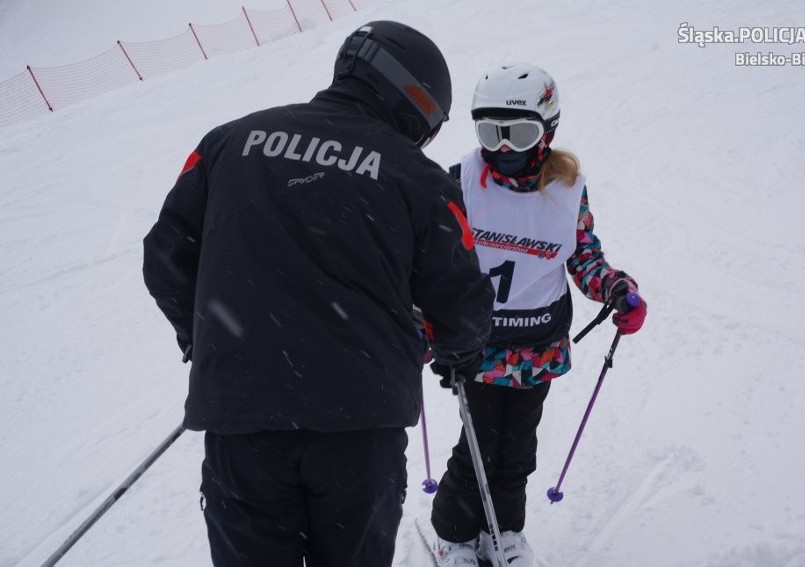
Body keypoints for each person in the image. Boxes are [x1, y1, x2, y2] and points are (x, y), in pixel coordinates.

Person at [142, 21, 494, 567]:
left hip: (244, 424)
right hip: (359, 429)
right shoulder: (417, 176)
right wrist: (455, 355)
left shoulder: (228, 142)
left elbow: (166, 256)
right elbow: (463, 302)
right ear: (414, 100)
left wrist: (210, 337)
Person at [427, 63, 648, 566]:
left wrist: (615, 288)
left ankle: (503, 533)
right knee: (477, 447)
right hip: (476, 344)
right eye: (491, 132)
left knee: (517, 452)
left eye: (519, 133)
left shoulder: (567, 189)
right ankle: (455, 535)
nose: (504, 147)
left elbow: (584, 255)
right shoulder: (461, 180)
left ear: (546, 131)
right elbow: (433, 257)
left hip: (536, 346)